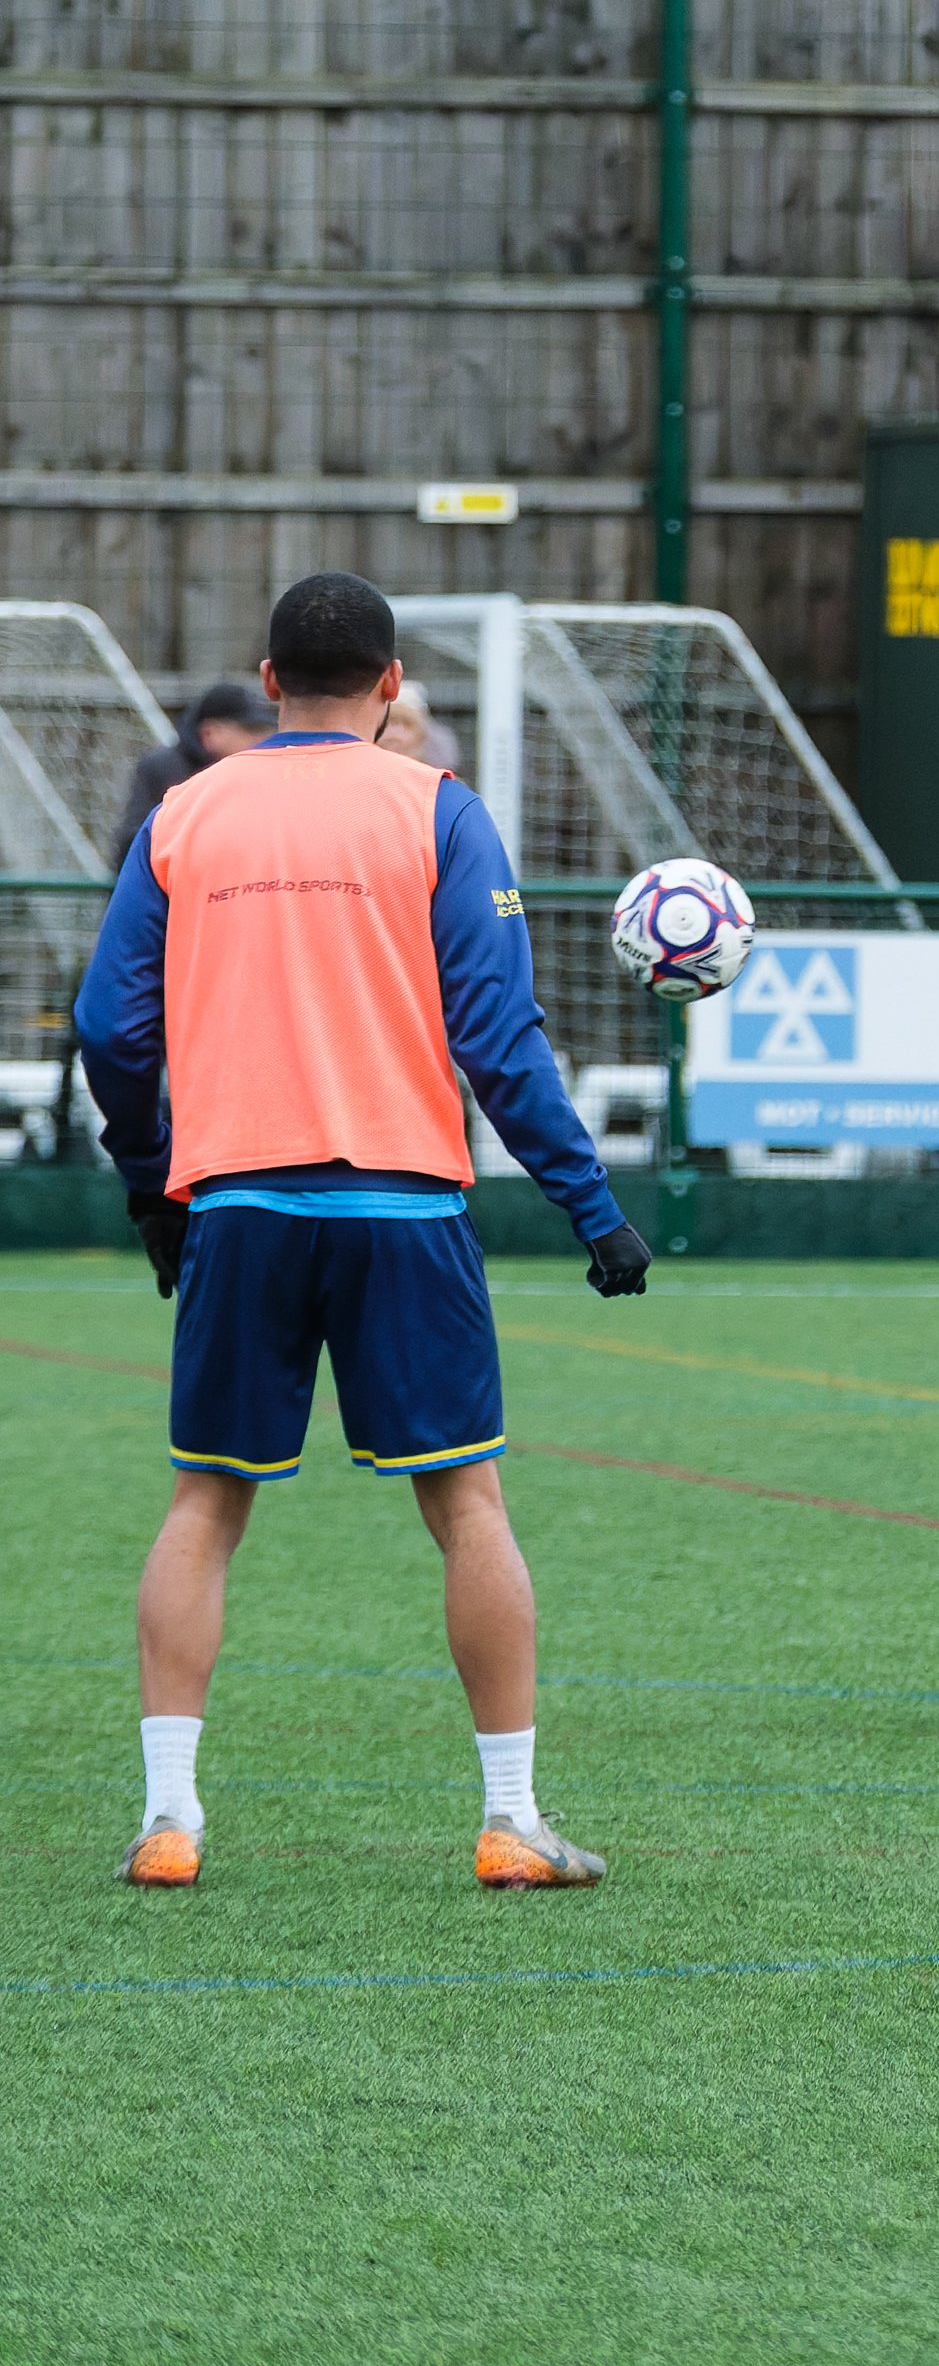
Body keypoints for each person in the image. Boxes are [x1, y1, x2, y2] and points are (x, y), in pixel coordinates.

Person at [76, 571, 651, 1892]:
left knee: (205, 1503)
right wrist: (592, 1205)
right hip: (403, 1205)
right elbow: (498, 1038)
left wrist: (152, 1182)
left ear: (268, 682)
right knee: (467, 1504)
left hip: (238, 1202)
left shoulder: (183, 811)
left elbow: (110, 1028)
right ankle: (509, 1819)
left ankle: (170, 1822)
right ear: (392, 688)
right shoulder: (439, 808)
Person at [109, 680, 278, 870]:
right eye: (250, 731)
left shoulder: (257, 773)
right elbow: (134, 844)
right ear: (210, 732)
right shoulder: (163, 767)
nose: (260, 740)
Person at [376, 678, 461, 773]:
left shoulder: (439, 778)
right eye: (385, 724)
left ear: (421, 734)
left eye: (405, 724)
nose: (393, 733)